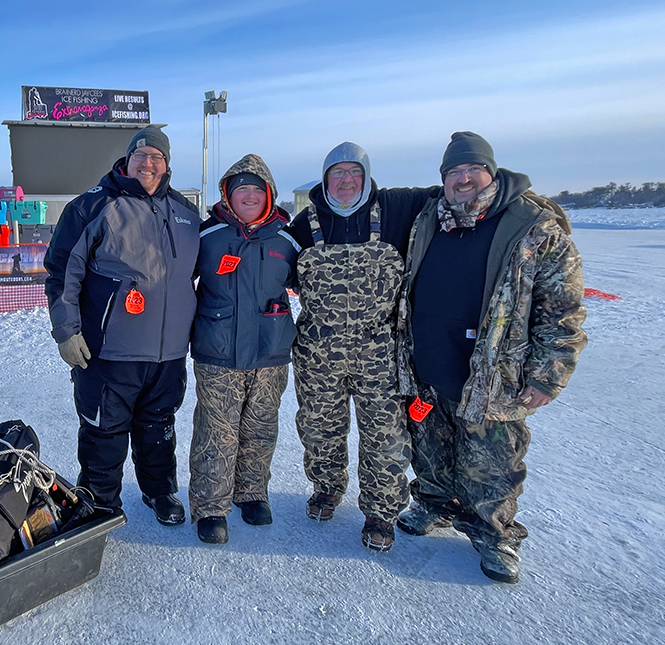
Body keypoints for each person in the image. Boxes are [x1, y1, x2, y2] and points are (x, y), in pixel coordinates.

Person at [395, 132, 587, 583]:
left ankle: (495, 535)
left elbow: (562, 310)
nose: (463, 179)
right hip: (430, 363)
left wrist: (548, 373)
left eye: (471, 169)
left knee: (492, 463)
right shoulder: (430, 219)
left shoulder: (533, 227)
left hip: (492, 373)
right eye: (453, 172)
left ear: (491, 171)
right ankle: (433, 504)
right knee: (430, 449)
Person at [45, 125, 200, 524]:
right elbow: (62, 273)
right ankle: (99, 503)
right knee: (104, 434)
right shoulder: (92, 206)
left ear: (166, 166)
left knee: (159, 428)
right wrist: (66, 331)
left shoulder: (185, 213)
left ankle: (159, 491)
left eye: (157, 157)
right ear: (127, 160)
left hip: (167, 355)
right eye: (141, 155)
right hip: (108, 351)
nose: (148, 164)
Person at [285, 143, 436, 551]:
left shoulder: (396, 208)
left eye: (355, 171)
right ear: (325, 178)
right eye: (338, 173)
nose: (347, 180)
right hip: (319, 352)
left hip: (380, 352)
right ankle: (327, 485)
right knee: (319, 427)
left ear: (367, 175)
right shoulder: (304, 224)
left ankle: (380, 511)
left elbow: (457, 192)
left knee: (386, 435)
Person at [188, 155, 298, 545]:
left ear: (269, 195)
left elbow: (311, 284)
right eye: (241, 190)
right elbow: (176, 282)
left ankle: (251, 492)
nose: (249, 196)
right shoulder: (207, 236)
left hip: (271, 352)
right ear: (227, 195)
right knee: (216, 431)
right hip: (218, 352)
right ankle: (210, 506)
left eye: (256, 189)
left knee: (261, 428)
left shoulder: (287, 239)